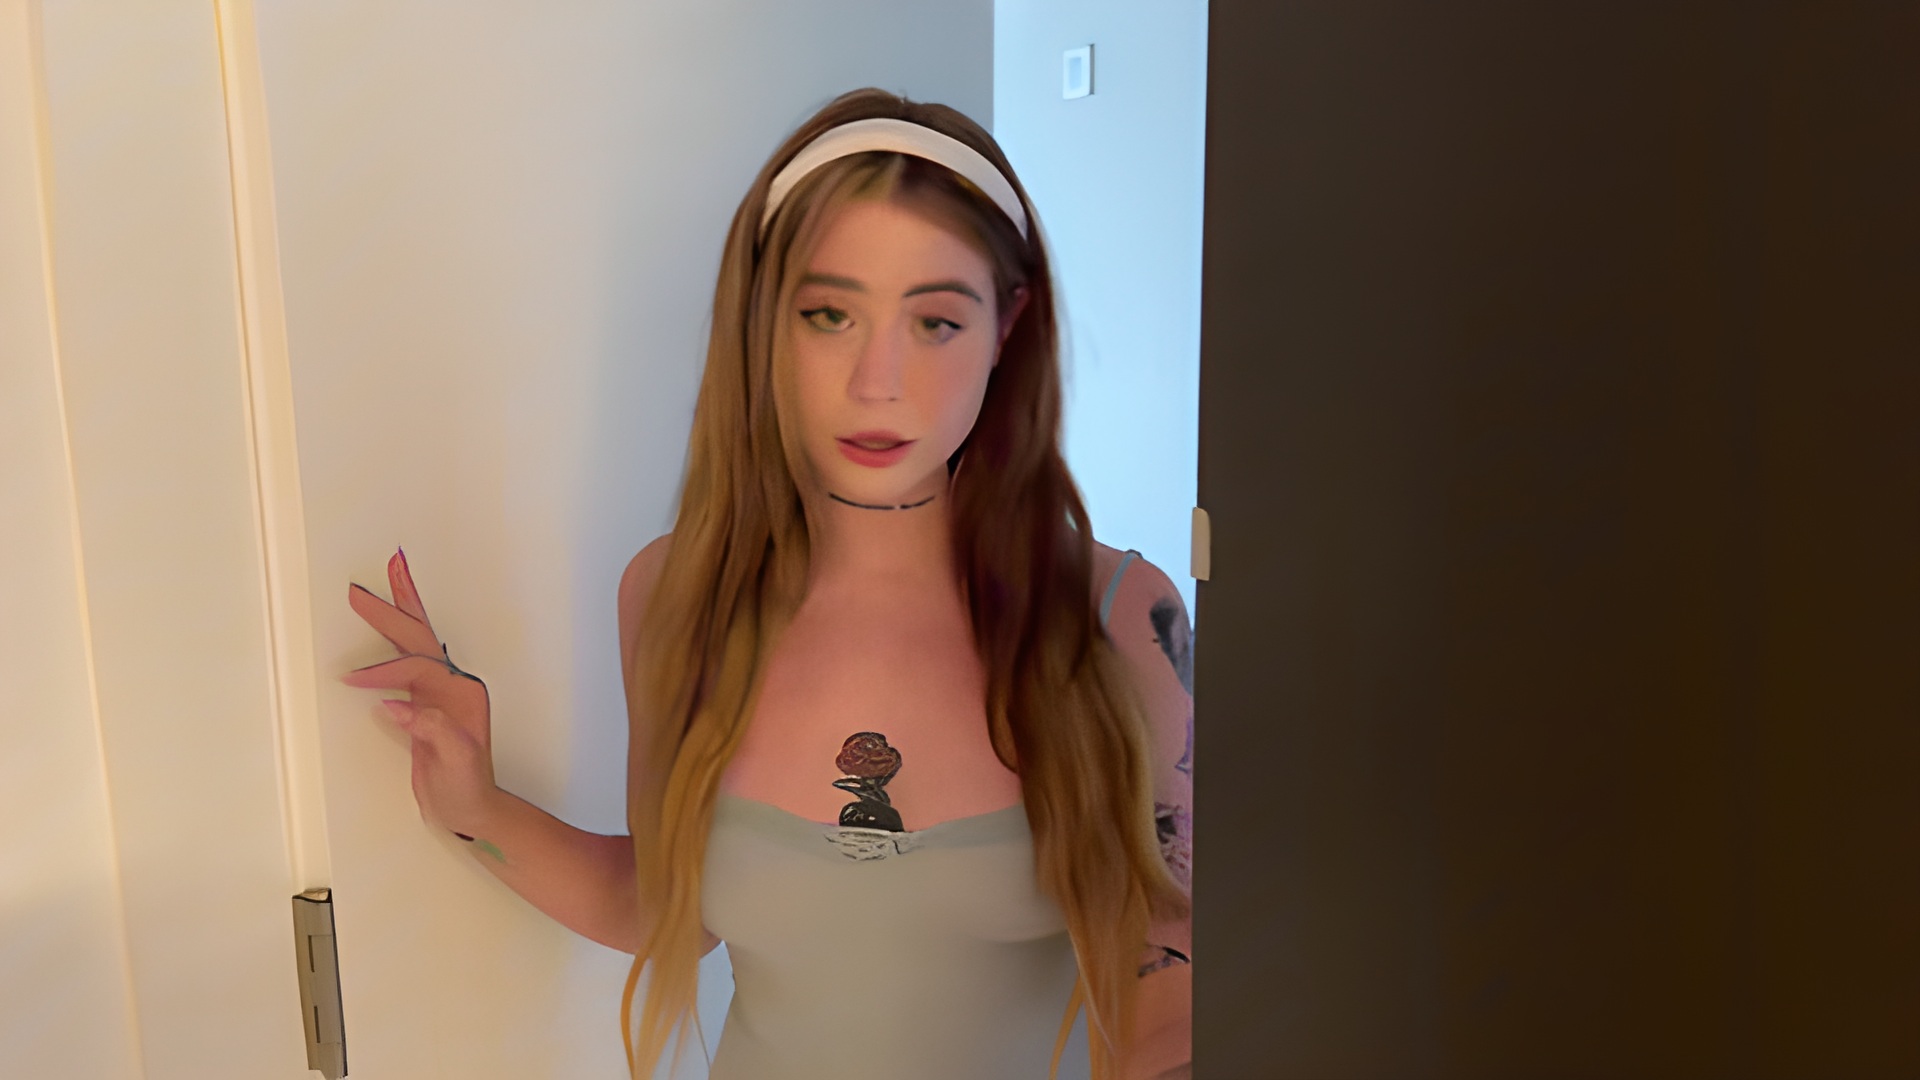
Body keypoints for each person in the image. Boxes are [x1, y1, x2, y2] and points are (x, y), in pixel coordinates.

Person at [343, 87, 1194, 1080]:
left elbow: (1169, 989)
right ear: (764, 320)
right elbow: (660, 906)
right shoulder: (676, 596)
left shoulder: (1120, 617)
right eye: (830, 314)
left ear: (1008, 327)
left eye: (935, 322)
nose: (878, 381)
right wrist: (476, 807)